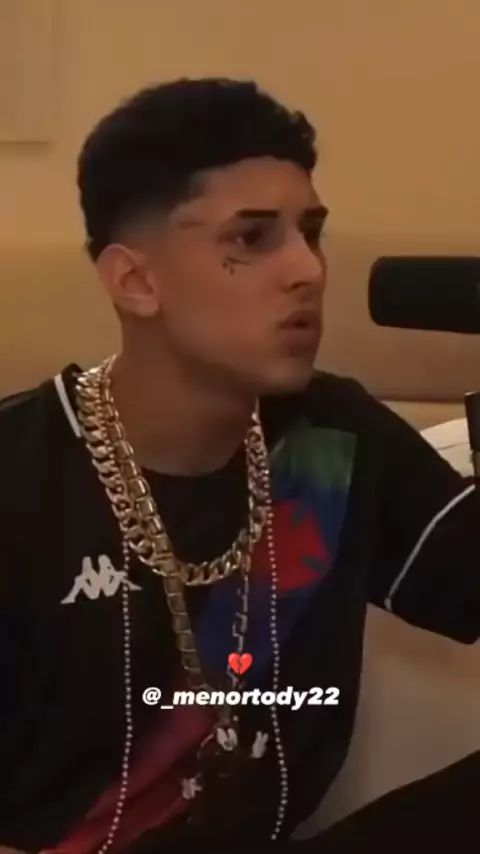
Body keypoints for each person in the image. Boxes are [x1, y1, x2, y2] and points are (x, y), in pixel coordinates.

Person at [1, 77, 480, 854]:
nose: (308, 270)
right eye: (251, 239)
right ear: (137, 281)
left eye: (310, 233)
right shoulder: (21, 478)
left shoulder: (331, 437)